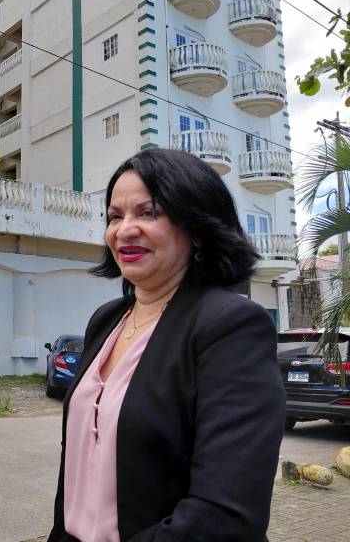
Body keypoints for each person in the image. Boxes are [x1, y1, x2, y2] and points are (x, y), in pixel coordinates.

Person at [48, 148, 285, 542]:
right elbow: (76, 479)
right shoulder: (106, 320)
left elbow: (224, 516)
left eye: (148, 213)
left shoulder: (231, 327)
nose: (124, 229)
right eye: (114, 216)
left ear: (195, 226)